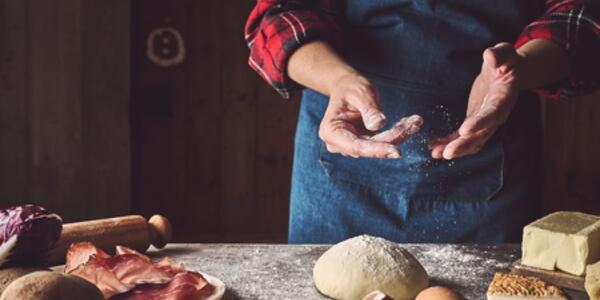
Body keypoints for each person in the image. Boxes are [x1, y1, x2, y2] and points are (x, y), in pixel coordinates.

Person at [245, 0, 600, 243]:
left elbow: (581, 15)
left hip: (491, 163)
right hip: (342, 157)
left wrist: (515, 71)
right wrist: (340, 81)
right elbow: (279, 14)